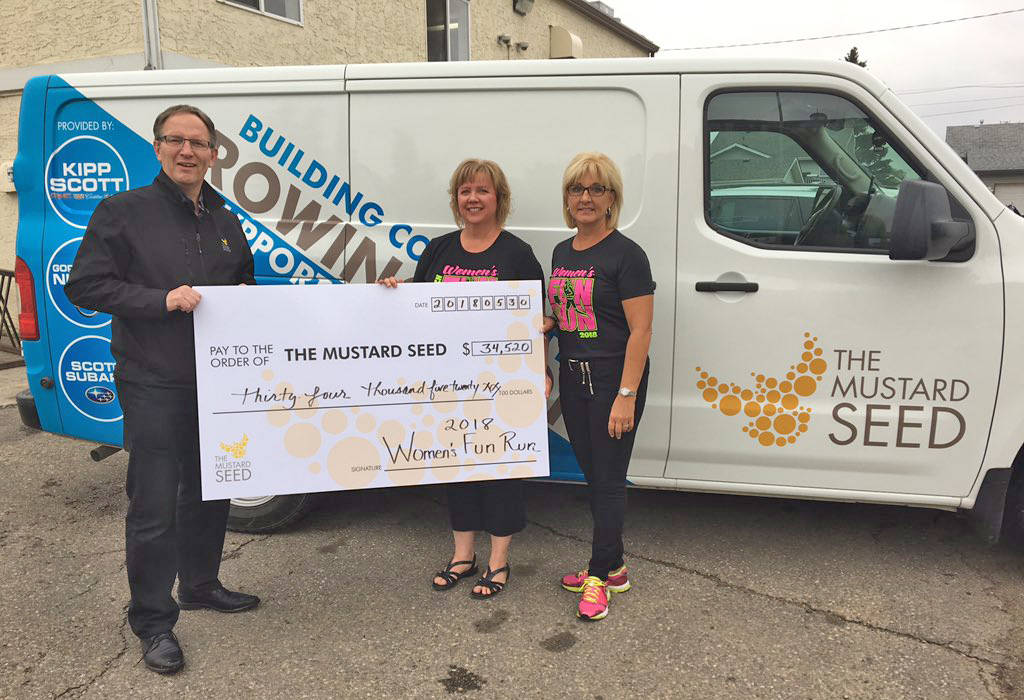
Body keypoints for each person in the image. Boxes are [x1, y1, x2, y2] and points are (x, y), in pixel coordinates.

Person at [65, 105, 260, 674]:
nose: (186, 151)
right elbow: (86, 284)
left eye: (198, 143)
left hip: (218, 378)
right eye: (175, 140)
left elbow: (243, 288)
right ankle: (153, 621)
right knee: (153, 505)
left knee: (211, 487)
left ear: (214, 154)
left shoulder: (225, 217)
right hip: (153, 379)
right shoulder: (123, 211)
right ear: (156, 148)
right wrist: (159, 300)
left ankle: (200, 584)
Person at [380, 158, 544, 598]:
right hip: (448, 383)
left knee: (501, 470)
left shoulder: (517, 254)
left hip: (500, 383)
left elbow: (531, 323)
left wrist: (539, 373)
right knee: (457, 468)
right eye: (465, 191)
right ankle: (463, 556)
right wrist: (394, 295)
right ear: (456, 200)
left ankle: (498, 561)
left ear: (499, 199)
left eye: (482, 191)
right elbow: (417, 310)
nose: (473, 199)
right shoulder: (438, 250)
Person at [546, 152, 654, 621]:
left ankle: (595, 575)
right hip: (573, 377)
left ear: (612, 199)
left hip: (614, 381)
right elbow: (569, 314)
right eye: (577, 189)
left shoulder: (627, 255)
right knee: (594, 476)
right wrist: (541, 324)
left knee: (608, 481)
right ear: (567, 199)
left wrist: (626, 395)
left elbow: (641, 331)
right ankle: (616, 567)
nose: (585, 198)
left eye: (596, 189)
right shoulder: (562, 252)